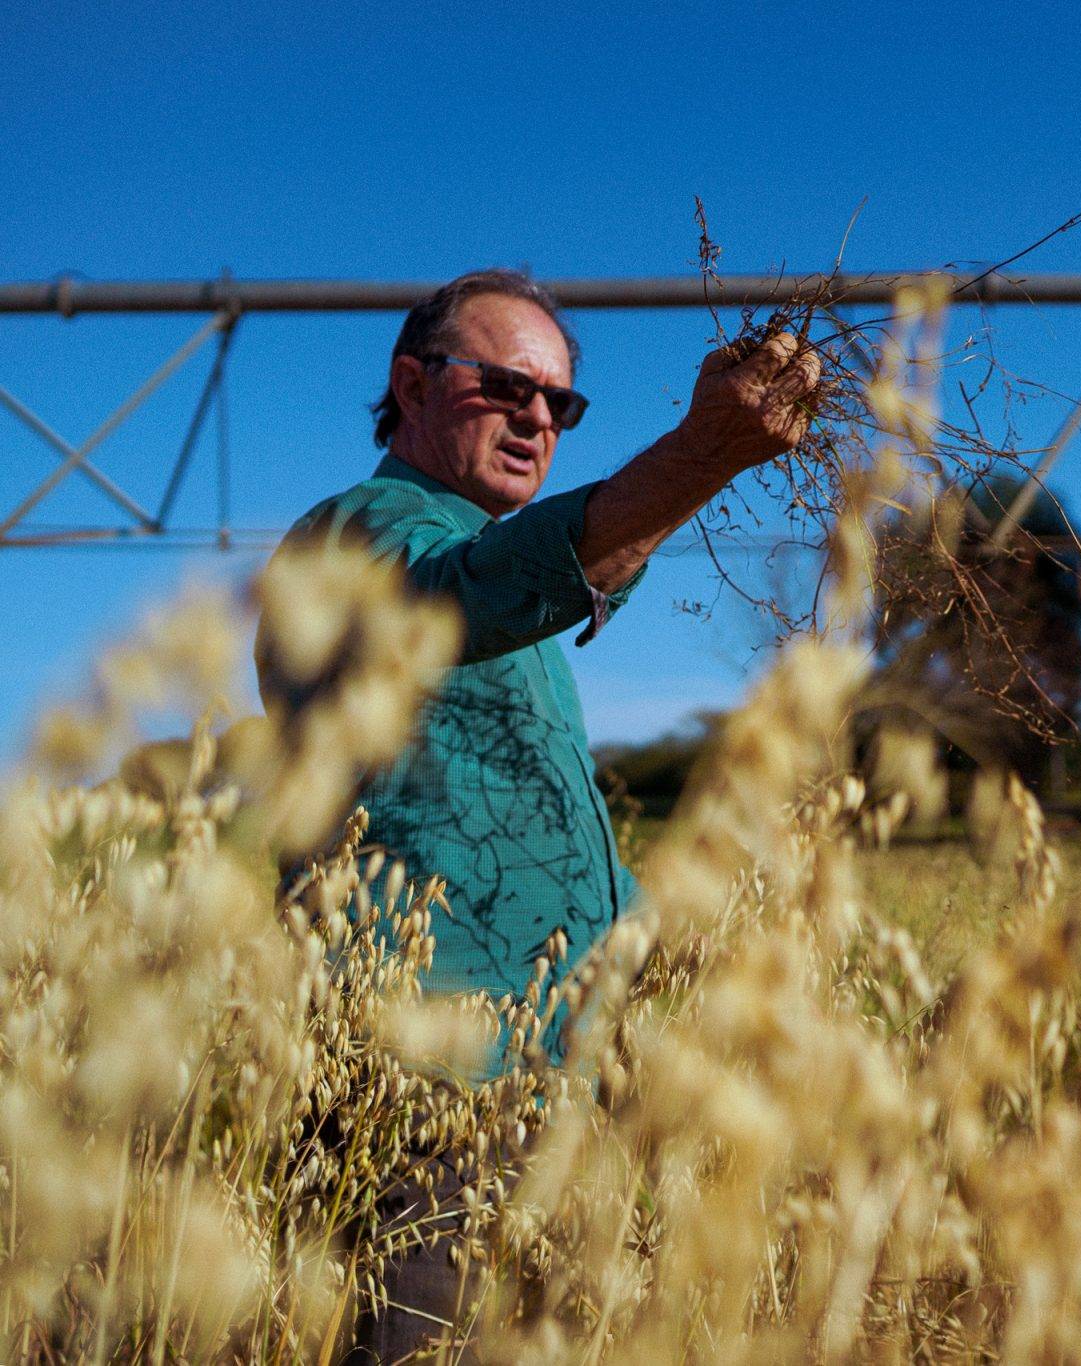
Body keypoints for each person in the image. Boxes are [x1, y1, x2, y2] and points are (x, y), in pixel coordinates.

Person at [256, 268, 820, 1360]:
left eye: (560, 402)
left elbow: (527, 790)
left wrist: (660, 936)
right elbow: (482, 587)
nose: (537, 419)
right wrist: (700, 453)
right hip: (424, 1081)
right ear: (411, 385)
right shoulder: (360, 534)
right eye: (506, 387)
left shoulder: (503, 595)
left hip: (546, 1077)